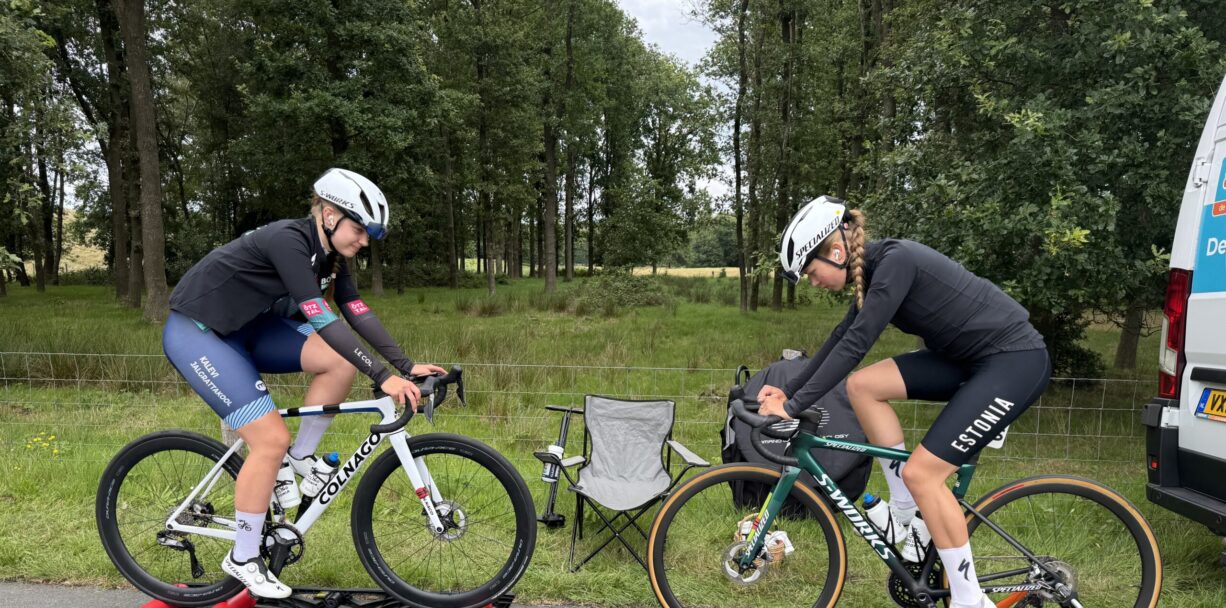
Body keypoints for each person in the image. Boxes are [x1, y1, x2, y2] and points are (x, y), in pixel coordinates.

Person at [162, 168, 445, 598]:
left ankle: (301, 457)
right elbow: (322, 318)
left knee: (339, 363)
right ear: (329, 215)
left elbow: (355, 308)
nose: (364, 241)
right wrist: (383, 376)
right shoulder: (288, 240)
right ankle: (243, 557)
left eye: (368, 234)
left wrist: (405, 365)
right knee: (269, 439)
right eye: (359, 230)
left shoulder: (332, 256)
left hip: (248, 329)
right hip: (200, 333)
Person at [757, 196, 1050, 608]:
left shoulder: (897, 262)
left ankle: (970, 601)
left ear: (836, 252)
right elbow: (841, 338)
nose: (813, 281)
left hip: (1013, 360)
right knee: (863, 386)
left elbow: (857, 344)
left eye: (810, 271)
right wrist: (790, 392)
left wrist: (791, 408)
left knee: (923, 474)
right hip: (967, 359)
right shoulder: (872, 274)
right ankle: (904, 512)